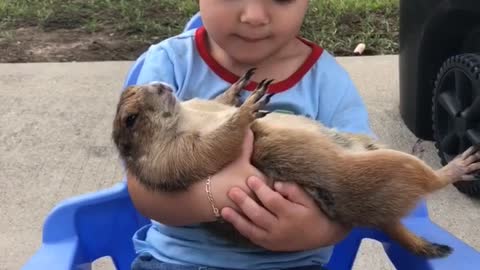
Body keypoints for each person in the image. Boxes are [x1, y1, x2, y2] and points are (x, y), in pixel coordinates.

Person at [126, 0, 375, 269]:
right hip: (176, 261)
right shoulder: (170, 65)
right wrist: (216, 195)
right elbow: (142, 189)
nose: (254, 16)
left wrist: (318, 230)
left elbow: (364, 183)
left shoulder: (326, 81)